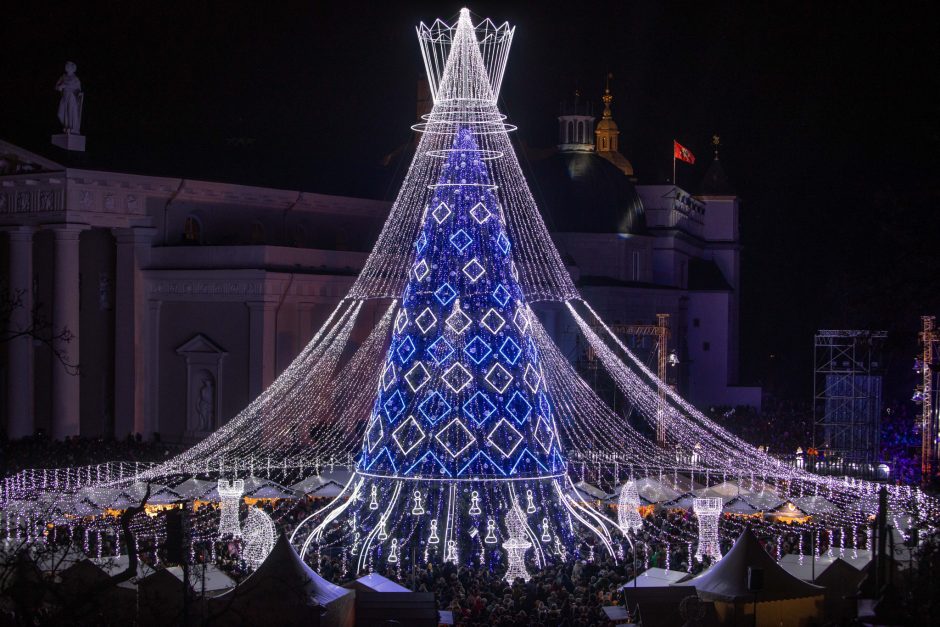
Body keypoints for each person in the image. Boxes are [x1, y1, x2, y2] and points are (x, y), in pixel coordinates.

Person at [55, 61, 83, 134]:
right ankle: (67, 127)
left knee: (70, 113)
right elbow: (56, 87)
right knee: (60, 114)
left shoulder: (75, 79)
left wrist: (79, 94)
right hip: (64, 97)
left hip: (71, 97)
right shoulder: (63, 77)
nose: (66, 67)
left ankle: (70, 128)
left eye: (68, 66)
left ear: (72, 68)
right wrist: (60, 87)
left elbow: (78, 89)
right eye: (66, 65)